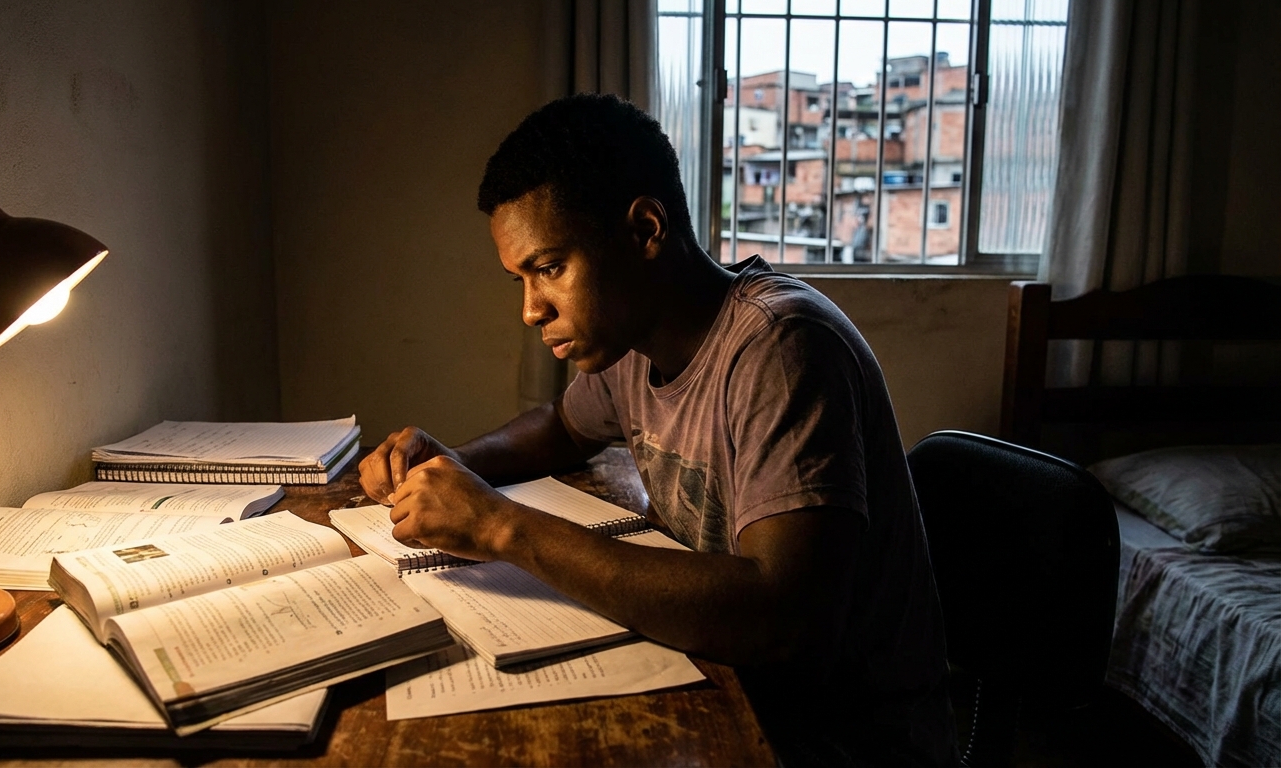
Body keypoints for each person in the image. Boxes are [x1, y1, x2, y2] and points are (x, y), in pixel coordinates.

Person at [359, 93, 956, 767]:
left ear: (646, 231)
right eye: (520, 279)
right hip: (735, 686)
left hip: (841, 739)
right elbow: (561, 427)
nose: (531, 309)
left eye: (550, 268)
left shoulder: (780, 348)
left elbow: (782, 619)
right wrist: (456, 466)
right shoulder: (633, 341)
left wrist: (501, 526)